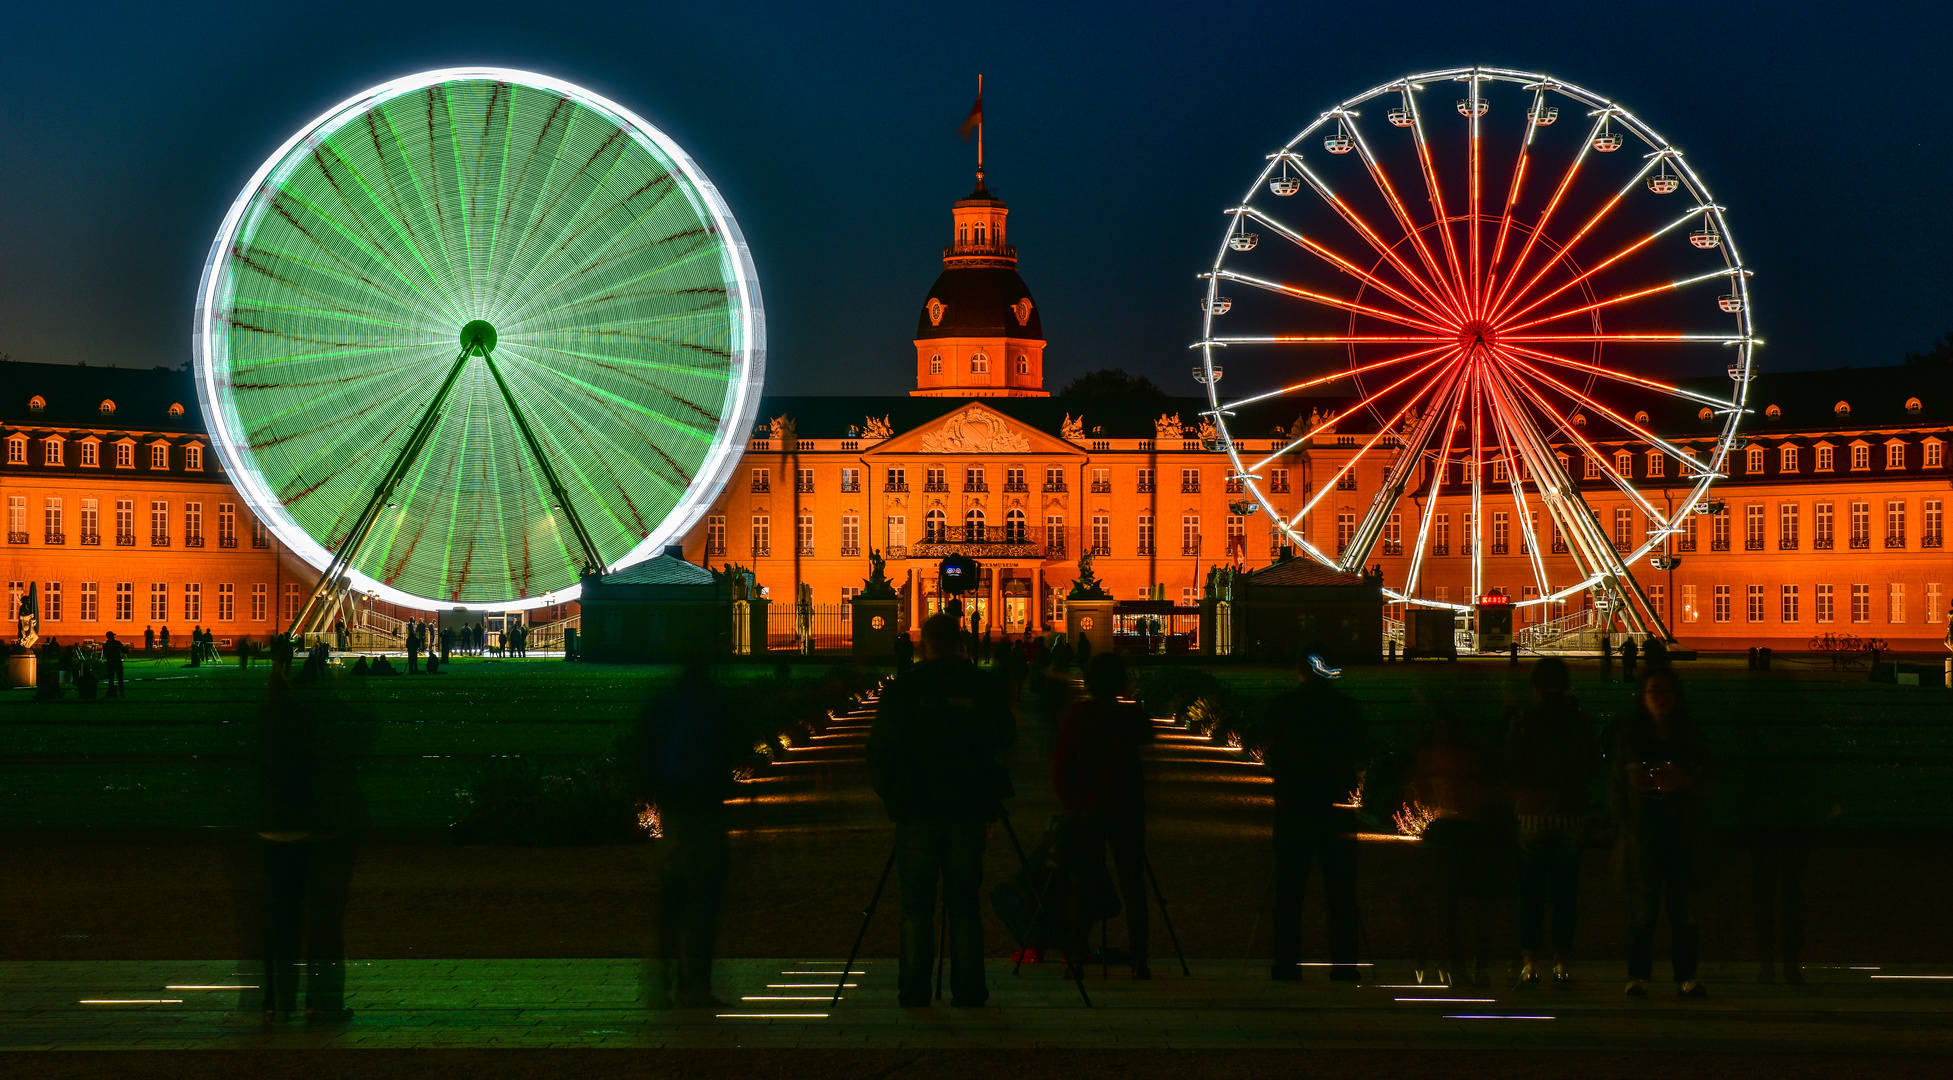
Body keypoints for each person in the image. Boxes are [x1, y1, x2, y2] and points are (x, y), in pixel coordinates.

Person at [867, 612, 1015, 1007]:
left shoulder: (904, 687)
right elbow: (1005, 737)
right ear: (961, 644)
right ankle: (968, 991)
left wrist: (895, 799)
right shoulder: (981, 686)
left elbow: (879, 752)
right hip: (967, 810)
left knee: (915, 906)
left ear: (924, 646)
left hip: (915, 812)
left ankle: (914, 991)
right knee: (965, 905)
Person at [253, 636, 366, 1023]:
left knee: (280, 918)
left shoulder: (268, 713)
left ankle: (274, 1001)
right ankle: (322, 1001)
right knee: (324, 922)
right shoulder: (323, 716)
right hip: (317, 828)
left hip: (272, 827)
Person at [1249, 646, 1366, 982]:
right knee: (1341, 893)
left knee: (1289, 893)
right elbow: (1359, 749)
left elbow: (1258, 740)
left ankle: (1287, 965)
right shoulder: (1345, 707)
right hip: (1335, 806)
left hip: (1294, 804)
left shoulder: (1285, 705)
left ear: (1300, 669)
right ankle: (1344, 966)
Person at [637, 665, 741, 1008]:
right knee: (703, 903)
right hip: (704, 810)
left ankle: (660, 981)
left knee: (674, 899)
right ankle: (694, 984)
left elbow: (647, 751)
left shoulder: (667, 706)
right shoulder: (712, 707)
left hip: (677, 808)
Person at [1053, 653, 1155, 979]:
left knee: (1081, 883)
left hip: (1088, 807)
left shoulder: (1079, 714)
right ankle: (1140, 959)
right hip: (1126, 806)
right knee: (1133, 883)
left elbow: (1062, 768)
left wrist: (1073, 802)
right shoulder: (1129, 716)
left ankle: (1076, 957)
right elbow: (1147, 733)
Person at [1612, 669, 1708, 998]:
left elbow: (1710, 779)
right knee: (1643, 911)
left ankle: (1686, 976)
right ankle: (1638, 976)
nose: (1661, 697)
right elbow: (1616, 788)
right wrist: (1628, 823)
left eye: (1666, 691)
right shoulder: (1631, 737)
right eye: (1654, 692)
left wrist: (1682, 780)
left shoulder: (1690, 736)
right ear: (1643, 698)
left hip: (1681, 835)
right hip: (1644, 836)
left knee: (1685, 913)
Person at [1506, 657, 1599, 983]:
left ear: (1534, 688)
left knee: (1529, 891)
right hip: (1571, 811)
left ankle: (1530, 958)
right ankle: (1562, 958)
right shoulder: (1580, 722)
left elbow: (1511, 767)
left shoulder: (1523, 722)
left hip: (1532, 811)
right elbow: (1592, 765)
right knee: (1564, 891)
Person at [1403, 708, 1504, 987]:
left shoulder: (1430, 758)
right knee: (1477, 904)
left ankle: (1458, 965)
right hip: (1470, 831)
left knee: (1449, 904)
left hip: (1449, 830)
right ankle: (1476, 965)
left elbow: (1422, 793)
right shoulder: (1470, 760)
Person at [102, 631, 127, 699]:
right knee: (120, 679)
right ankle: (122, 694)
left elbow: (105, 654)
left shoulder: (106, 645)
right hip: (117, 662)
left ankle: (111, 692)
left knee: (111, 679)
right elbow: (124, 651)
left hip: (110, 663)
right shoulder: (117, 643)